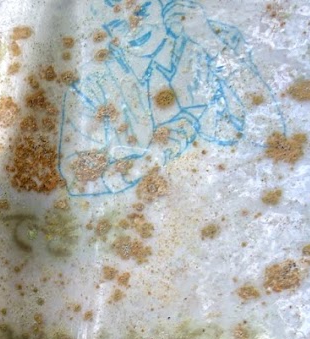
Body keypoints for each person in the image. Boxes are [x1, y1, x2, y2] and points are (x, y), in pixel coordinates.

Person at [59, 0, 283, 196]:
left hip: (241, 195)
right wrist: (145, 162)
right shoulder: (91, 85)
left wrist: (207, 39)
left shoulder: (214, 38)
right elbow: (76, 180)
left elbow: (271, 133)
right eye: (117, 23)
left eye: (142, 11)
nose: (134, 28)